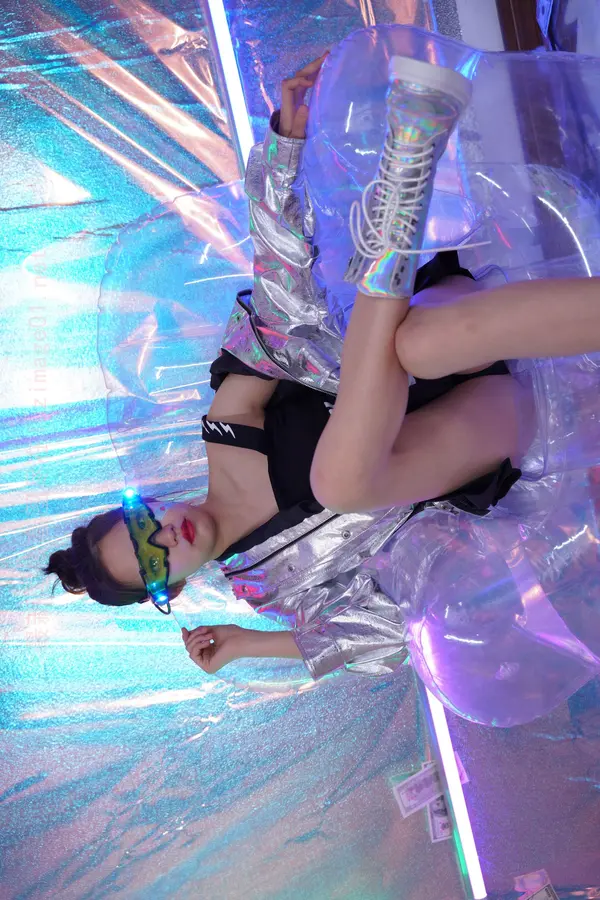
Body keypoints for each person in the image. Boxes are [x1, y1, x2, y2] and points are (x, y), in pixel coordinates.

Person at [45, 47, 600, 685]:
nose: (165, 538)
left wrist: (283, 150)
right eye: (153, 564)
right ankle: (403, 185)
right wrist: (251, 643)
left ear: (148, 502)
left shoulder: (229, 427)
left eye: (144, 524)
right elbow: (396, 633)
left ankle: (403, 184)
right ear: (168, 589)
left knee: (414, 347)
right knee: (341, 482)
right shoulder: (272, 587)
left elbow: (280, 292)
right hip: (476, 433)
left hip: (438, 338)